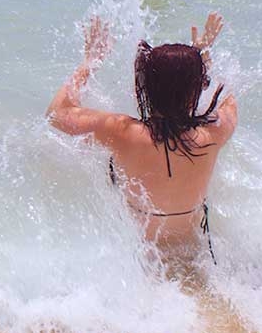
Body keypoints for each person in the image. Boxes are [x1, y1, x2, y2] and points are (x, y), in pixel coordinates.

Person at [46, 13, 237, 254]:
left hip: (141, 256)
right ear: (197, 86)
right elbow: (229, 100)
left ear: (145, 85)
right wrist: (202, 55)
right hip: (192, 249)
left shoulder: (122, 131)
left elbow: (57, 113)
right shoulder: (212, 135)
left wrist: (90, 61)